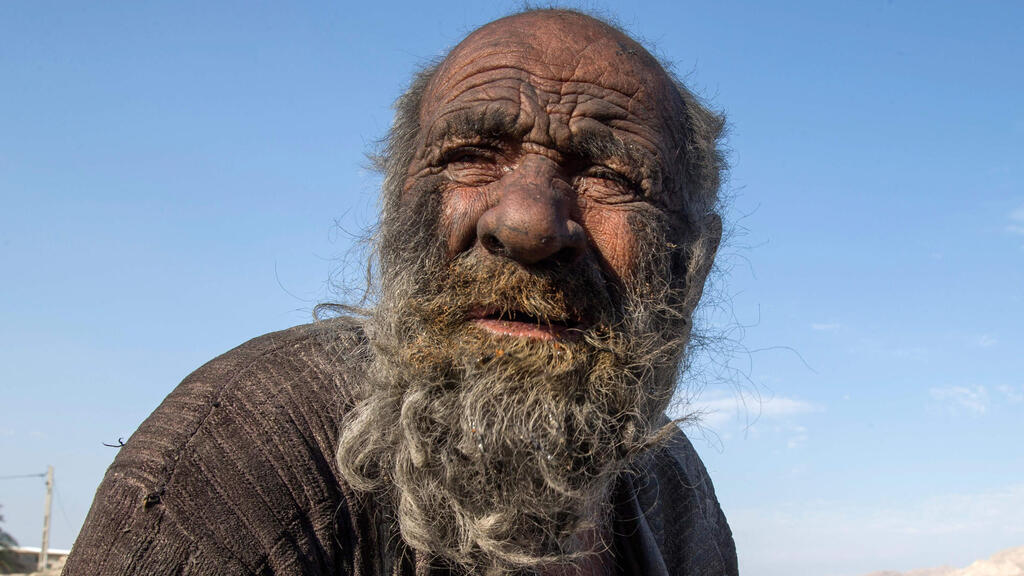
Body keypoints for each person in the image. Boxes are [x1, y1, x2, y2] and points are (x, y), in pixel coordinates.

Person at [64, 9, 737, 576]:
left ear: (692, 262)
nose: (528, 223)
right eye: (471, 154)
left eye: (610, 176)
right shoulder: (245, 452)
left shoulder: (676, 492)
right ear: (397, 213)